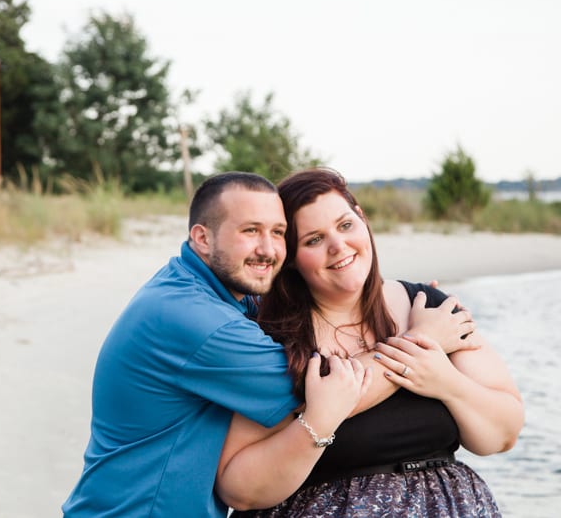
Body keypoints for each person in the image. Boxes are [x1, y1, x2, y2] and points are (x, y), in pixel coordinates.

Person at [63, 171, 472, 517]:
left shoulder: (223, 295)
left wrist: (391, 300)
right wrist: (421, 340)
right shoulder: (195, 318)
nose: (268, 249)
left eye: (279, 233)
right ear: (202, 239)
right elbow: (324, 389)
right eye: (250, 232)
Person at [217, 167, 524, 517]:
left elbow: (503, 435)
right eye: (314, 240)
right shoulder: (270, 339)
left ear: (362, 220)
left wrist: (445, 382)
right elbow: (240, 490)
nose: (338, 246)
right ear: (290, 258)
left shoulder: (429, 306)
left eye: (346, 225)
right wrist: (416, 344)